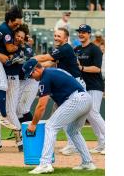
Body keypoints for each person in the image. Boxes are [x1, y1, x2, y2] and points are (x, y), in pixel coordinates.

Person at [22, 59, 96, 174]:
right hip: (85, 99)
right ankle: (88, 163)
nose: (31, 77)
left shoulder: (45, 77)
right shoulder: (52, 72)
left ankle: (45, 164)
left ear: (36, 69)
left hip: (76, 99)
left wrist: (33, 124)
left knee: (50, 126)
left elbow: (41, 106)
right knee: (73, 131)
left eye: (30, 74)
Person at [33, 27, 86, 155]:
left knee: (85, 116)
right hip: (69, 86)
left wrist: (32, 60)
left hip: (75, 85)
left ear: (66, 38)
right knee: (61, 114)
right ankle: (73, 145)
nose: (56, 38)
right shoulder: (60, 50)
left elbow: (45, 57)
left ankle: (74, 145)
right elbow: (48, 64)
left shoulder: (65, 48)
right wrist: (34, 66)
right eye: (55, 35)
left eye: (59, 36)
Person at [0, 5, 25, 151]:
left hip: (13, 78)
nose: (18, 37)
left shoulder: (23, 47)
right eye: (17, 35)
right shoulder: (6, 31)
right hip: (2, 75)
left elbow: (10, 52)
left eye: (21, 35)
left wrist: (20, 45)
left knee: (9, 111)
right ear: (10, 20)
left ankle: (21, 142)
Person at [75, 24, 105, 154]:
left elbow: (97, 69)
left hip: (95, 86)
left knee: (93, 113)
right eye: (79, 32)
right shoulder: (76, 49)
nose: (81, 34)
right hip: (83, 86)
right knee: (90, 115)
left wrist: (81, 68)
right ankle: (101, 142)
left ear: (89, 34)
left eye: (84, 32)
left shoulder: (95, 49)